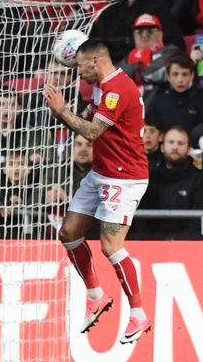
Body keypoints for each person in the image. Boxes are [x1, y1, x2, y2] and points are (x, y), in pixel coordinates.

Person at [43, 39, 151, 344]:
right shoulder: (102, 87)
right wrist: (59, 111)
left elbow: (91, 132)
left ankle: (139, 314)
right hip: (101, 171)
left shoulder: (117, 89)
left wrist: (63, 110)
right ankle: (96, 295)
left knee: (110, 245)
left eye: (79, 65)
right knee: (69, 232)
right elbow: (88, 119)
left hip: (125, 177)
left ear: (95, 61)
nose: (77, 71)